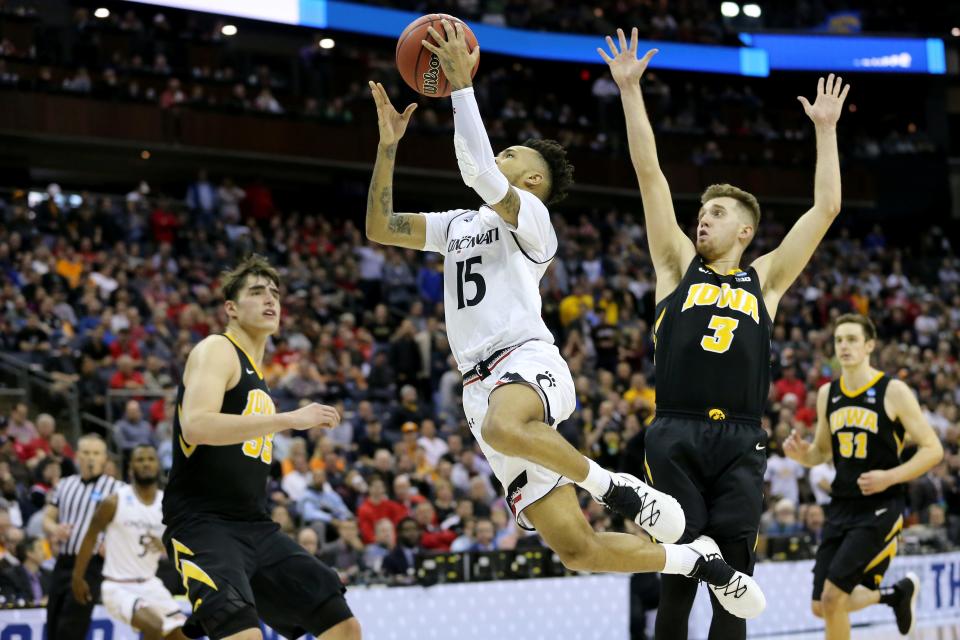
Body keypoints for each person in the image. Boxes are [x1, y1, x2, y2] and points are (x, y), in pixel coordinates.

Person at [365, 18, 763, 620]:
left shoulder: (532, 221)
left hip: (524, 361)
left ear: (529, 181)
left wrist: (461, 85)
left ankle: (614, 486)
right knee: (578, 550)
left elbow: (478, 171)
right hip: (478, 387)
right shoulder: (458, 225)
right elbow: (380, 227)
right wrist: (388, 147)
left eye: (511, 155)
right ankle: (695, 559)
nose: (498, 155)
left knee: (505, 428)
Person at [600, 27, 852, 637]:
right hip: (676, 430)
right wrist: (631, 92)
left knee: (734, 580)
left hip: (741, 438)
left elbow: (825, 211)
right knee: (680, 573)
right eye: (702, 213)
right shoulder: (674, 265)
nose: (702, 219)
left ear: (745, 230)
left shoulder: (765, 280)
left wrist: (825, 130)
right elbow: (651, 174)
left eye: (716, 214)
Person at [162, 255, 361, 640]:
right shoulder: (216, 349)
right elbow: (197, 425)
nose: (270, 299)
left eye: (275, 293)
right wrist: (289, 419)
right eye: (256, 292)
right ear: (231, 308)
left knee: (343, 626)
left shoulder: (258, 372)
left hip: (256, 526)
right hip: (203, 525)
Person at [784, 314, 943, 638]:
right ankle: (895, 595)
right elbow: (823, 451)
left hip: (879, 507)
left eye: (852, 339)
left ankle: (895, 594)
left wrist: (890, 477)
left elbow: (933, 449)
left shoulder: (893, 390)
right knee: (820, 605)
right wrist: (804, 456)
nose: (844, 345)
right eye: (839, 339)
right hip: (841, 506)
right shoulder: (829, 393)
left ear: (869, 345)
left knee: (833, 599)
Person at [71, 444, 188, 640]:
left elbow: (182, 544)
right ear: (130, 468)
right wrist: (77, 577)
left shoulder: (166, 505)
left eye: (150, 459)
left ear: (158, 465)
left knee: (182, 635)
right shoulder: (114, 501)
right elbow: (90, 536)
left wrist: (165, 545)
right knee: (155, 625)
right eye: (140, 460)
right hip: (117, 587)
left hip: (151, 585)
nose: (146, 464)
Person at [42, 434, 121, 640]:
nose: (91, 458)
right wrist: (55, 528)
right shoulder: (65, 485)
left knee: (71, 627)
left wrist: (112, 544)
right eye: (86, 453)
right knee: (52, 620)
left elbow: (125, 527)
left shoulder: (117, 489)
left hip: (91, 565)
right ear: (77, 456)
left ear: (105, 458)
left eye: (96, 453)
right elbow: (48, 518)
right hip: (63, 561)